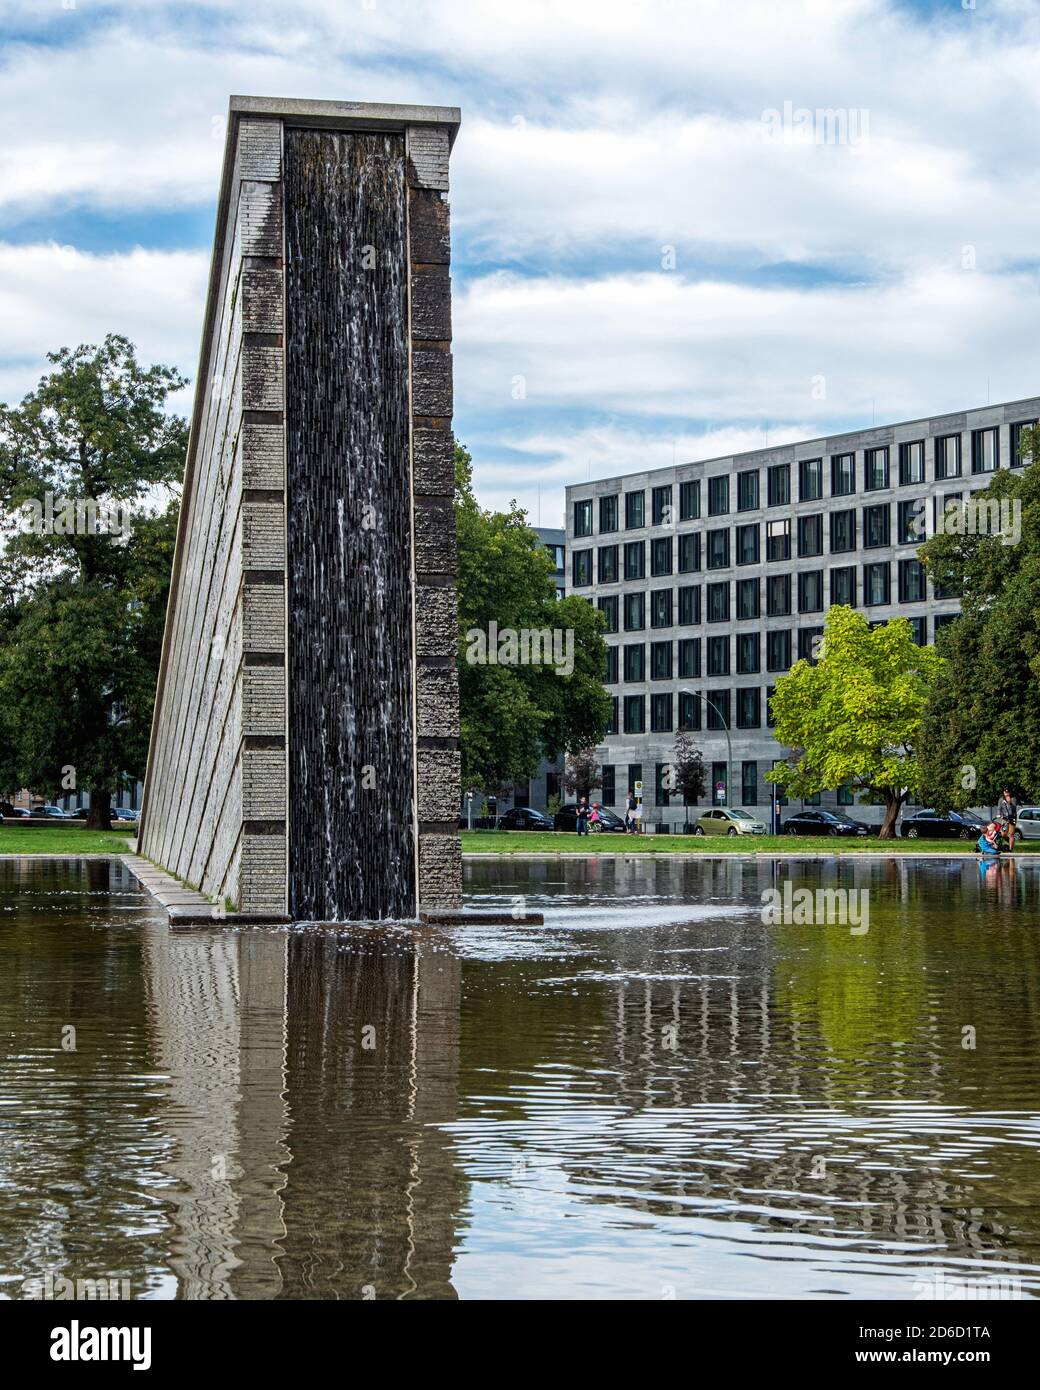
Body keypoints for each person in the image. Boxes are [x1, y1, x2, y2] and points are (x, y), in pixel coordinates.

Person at [997, 787, 1018, 851]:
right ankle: (1011, 842)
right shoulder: (1001, 799)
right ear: (1003, 792)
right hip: (1004, 818)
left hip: (1012, 818)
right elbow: (999, 808)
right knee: (1003, 834)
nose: (1006, 793)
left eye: (1008, 792)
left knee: (1011, 834)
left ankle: (1010, 849)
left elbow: (1013, 808)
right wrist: (998, 814)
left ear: (1010, 792)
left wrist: (1008, 802)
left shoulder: (1013, 799)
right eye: (1005, 792)